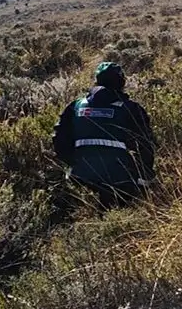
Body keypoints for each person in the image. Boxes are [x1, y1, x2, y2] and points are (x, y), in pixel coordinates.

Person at [52, 61, 156, 209]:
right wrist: (144, 175)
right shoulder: (131, 109)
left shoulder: (76, 106)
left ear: (97, 81)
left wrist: (73, 164)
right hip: (120, 179)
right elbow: (145, 144)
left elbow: (59, 140)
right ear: (122, 82)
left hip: (81, 177)